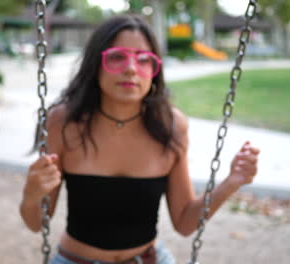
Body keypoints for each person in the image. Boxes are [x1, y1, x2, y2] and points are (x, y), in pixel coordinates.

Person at [20, 14, 260, 264]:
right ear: (96, 65)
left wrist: (231, 183)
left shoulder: (171, 126)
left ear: (154, 71)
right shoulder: (64, 123)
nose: (131, 69)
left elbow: (185, 223)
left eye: (144, 59)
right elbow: (36, 223)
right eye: (117, 57)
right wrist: (31, 194)